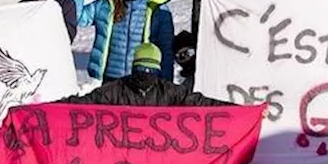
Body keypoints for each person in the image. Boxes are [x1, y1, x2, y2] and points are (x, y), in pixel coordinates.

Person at [68, 0, 175, 84]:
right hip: (111, 77)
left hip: (143, 76)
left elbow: (166, 47)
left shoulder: (156, 6)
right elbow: (79, 18)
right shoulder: (106, 4)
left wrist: (166, 81)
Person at [60, 43, 229, 106]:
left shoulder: (168, 92)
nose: (145, 76)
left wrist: (238, 111)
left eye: (150, 71)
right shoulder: (115, 90)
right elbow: (83, 104)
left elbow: (201, 103)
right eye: (141, 70)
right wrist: (52, 107)